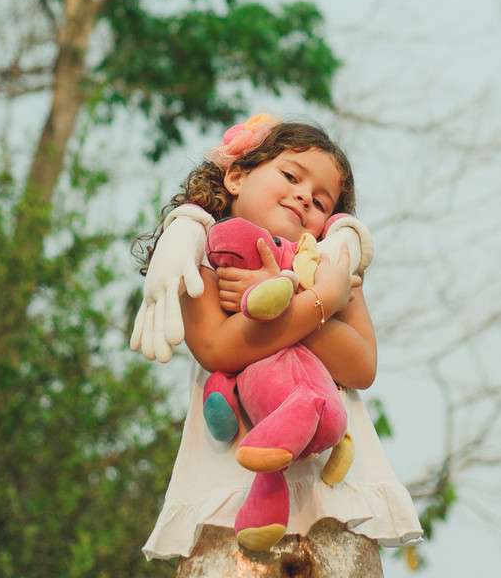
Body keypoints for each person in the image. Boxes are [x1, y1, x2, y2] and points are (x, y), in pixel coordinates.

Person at [132, 114, 422, 563]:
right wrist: (316, 303)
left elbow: (362, 366)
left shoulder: (328, 263)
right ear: (236, 174)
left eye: (323, 202)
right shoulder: (203, 250)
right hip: (232, 493)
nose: (305, 196)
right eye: (290, 175)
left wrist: (302, 291)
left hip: (332, 500)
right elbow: (217, 348)